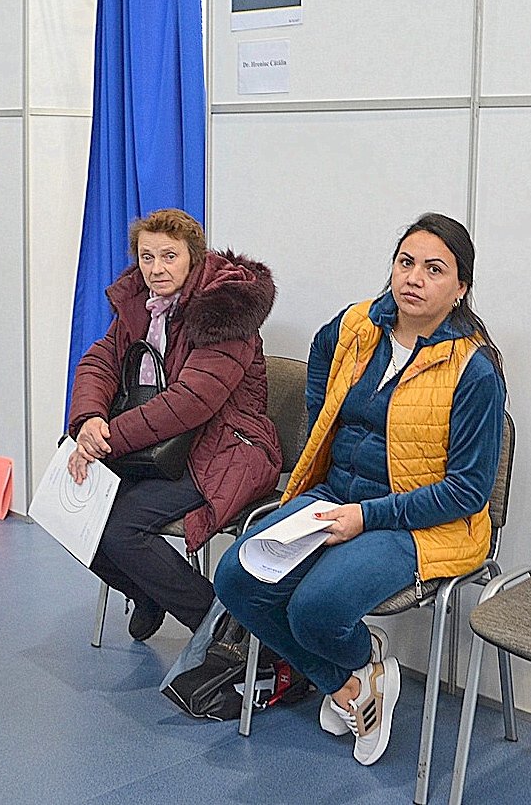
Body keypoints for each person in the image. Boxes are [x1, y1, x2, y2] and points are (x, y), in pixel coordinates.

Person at [214, 212, 506, 766]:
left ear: (460, 288)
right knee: (237, 577)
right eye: (406, 262)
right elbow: (320, 355)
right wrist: (322, 425)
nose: (414, 278)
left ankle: (348, 673)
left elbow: (468, 492)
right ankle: (355, 680)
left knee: (315, 609)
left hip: (420, 523)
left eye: (434, 269)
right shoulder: (358, 325)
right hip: (335, 496)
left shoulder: (474, 372)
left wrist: (365, 518)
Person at [67, 208, 281, 640]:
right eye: (147, 257)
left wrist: (107, 439)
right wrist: (89, 419)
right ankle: (147, 592)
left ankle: (224, 630)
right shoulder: (143, 304)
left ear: (193, 257)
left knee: (121, 528)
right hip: (162, 447)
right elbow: (100, 362)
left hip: (225, 448)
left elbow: (190, 403)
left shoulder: (226, 310)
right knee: (74, 510)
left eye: (169, 256)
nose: (156, 269)